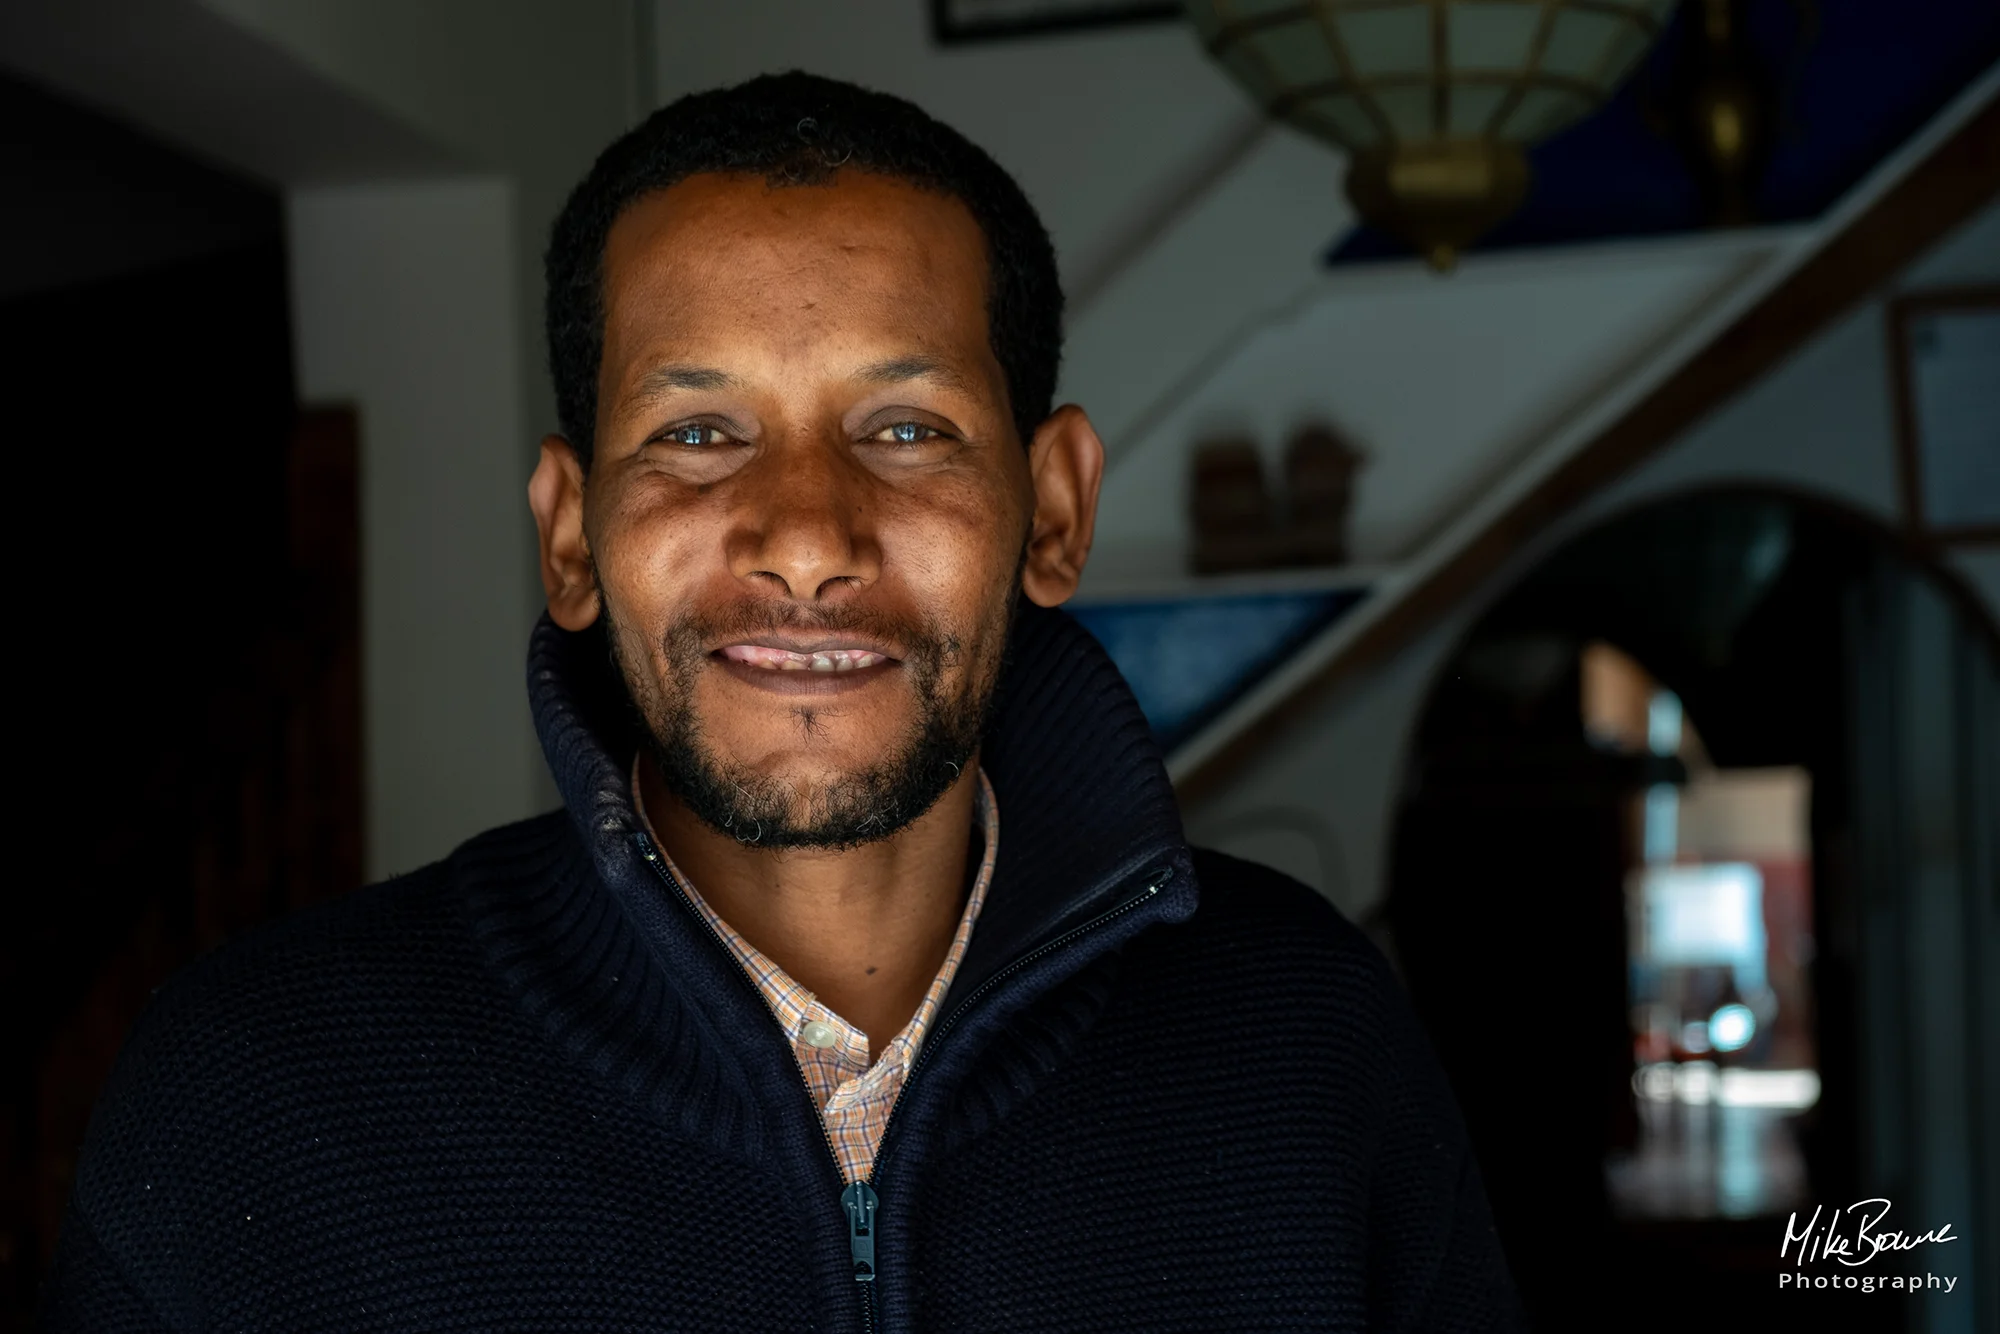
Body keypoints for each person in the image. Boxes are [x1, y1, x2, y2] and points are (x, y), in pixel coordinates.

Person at [42, 72, 1522, 1332]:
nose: (807, 537)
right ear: (569, 535)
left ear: (1053, 508)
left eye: (904, 427)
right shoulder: (249, 1101)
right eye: (695, 431)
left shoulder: (1311, 1042)